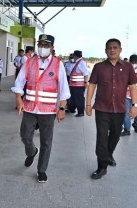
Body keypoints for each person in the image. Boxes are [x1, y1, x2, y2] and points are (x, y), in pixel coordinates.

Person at [12, 34, 70, 183]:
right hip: (30, 107)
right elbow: (19, 83)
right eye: (41, 44)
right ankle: (32, 152)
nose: (42, 47)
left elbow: (63, 88)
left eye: (46, 45)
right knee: (25, 136)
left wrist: (62, 108)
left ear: (52, 48)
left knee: (46, 141)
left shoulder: (58, 64)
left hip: (48, 110)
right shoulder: (29, 62)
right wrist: (19, 99)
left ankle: (41, 170)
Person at [86, 38, 137, 180]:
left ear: (120, 50)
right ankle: (101, 167)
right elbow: (91, 85)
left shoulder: (127, 67)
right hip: (102, 108)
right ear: (105, 50)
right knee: (102, 138)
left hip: (120, 109)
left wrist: (134, 106)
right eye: (109, 47)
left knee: (115, 136)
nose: (112, 50)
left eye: (115, 47)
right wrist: (88, 104)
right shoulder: (99, 67)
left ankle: (109, 154)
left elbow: (133, 86)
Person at [67, 50, 89, 117]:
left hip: (79, 85)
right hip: (74, 85)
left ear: (75, 56)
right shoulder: (78, 62)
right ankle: (71, 109)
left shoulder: (81, 62)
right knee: (73, 98)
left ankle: (81, 112)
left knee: (79, 99)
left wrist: (85, 82)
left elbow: (86, 73)